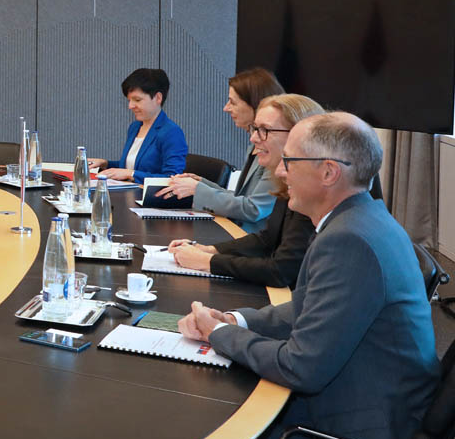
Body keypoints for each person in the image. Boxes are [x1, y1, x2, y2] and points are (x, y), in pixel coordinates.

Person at [177, 112, 438, 439]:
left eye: (291, 162)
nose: (280, 172)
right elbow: (304, 309)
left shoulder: (349, 241)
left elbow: (301, 367)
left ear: (329, 172)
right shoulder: (358, 220)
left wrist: (220, 336)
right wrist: (234, 319)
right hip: (366, 412)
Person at [167, 94, 323, 288]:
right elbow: (267, 239)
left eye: (265, 130)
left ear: (298, 135)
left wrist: (207, 262)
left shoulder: (311, 193)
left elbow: (282, 271)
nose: (253, 138)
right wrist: (209, 250)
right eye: (255, 129)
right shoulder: (287, 182)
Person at [155, 67, 284, 231]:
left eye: (233, 102)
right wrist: (201, 184)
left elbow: (253, 209)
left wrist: (198, 189)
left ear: (256, 104)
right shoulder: (254, 144)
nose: (226, 108)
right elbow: (241, 198)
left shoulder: (276, 152)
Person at [87, 68, 187, 183]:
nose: (130, 106)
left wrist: (131, 174)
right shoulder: (135, 127)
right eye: (129, 100)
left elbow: (172, 179)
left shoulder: (171, 132)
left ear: (158, 98)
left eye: (137, 100)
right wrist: (105, 163)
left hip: (148, 199)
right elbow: (130, 167)